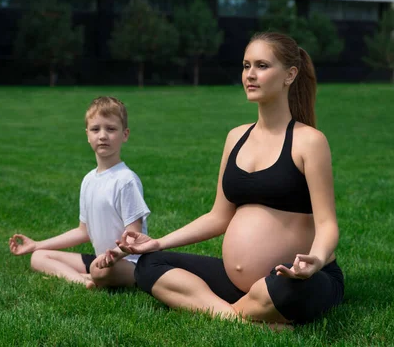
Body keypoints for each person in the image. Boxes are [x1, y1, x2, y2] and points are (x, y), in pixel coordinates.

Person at [113, 32, 343, 326]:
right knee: (149, 264)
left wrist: (316, 261)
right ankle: (240, 317)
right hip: (238, 281)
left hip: (296, 277)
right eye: (246, 66)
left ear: (290, 75)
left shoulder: (309, 141)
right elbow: (218, 216)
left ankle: (227, 308)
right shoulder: (236, 137)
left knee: (279, 287)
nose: (250, 75)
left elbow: (327, 225)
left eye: (262, 66)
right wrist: (157, 242)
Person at [9, 96, 151, 290]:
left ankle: (91, 276)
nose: (102, 135)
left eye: (111, 129)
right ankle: (82, 281)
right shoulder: (88, 180)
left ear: (125, 134)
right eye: (95, 129)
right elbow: (82, 232)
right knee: (39, 256)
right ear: (87, 135)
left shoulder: (126, 180)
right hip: (101, 260)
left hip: (128, 264)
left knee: (99, 269)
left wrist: (114, 256)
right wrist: (37, 244)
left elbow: (134, 235)